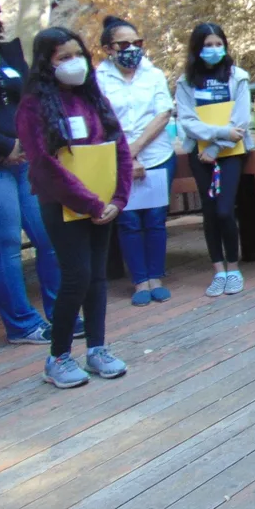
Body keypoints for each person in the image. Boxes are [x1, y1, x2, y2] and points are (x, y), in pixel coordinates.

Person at [18, 27, 132, 389]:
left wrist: (117, 199)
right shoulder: (33, 106)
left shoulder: (93, 98)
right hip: (64, 204)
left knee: (97, 277)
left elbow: (120, 147)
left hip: (104, 205)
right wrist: (90, 202)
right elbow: (43, 164)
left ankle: (97, 349)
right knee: (76, 275)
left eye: (77, 54)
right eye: (62, 57)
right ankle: (58, 356)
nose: (73, 63)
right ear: (46, 64)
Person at [0, 0, 66, 345]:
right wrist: (4, 145)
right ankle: (22, 324)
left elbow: (31, 98)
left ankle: (61, 313)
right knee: (4, 243)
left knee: (48, 234)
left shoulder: (7, 53)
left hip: (27, 159)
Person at [96, 16, 175, 306]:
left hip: (157, 155)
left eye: (137, 43)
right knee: (127, 220)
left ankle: (156, 277)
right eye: (124, 44)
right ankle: (140, 281)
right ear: (108, 48)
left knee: (155, 219)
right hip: (116, 157)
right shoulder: (97, 79)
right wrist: (127, 157)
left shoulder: (152, 74)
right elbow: (102, 119)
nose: (132, 49)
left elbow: (163, 112)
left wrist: (137, 149)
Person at [174, 23, 254, 297]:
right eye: (207, 45)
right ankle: (218, 270)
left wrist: (218, 146)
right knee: (208, 211)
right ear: (197, 49)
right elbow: (186, 120)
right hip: (199, 152)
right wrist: (218, 134)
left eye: (218, 44)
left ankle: (234, 268)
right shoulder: (185, 82)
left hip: (231, 152)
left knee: (224, 210)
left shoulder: (238, 77)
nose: (213, 49)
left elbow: (241, 121)